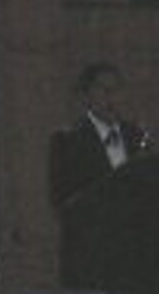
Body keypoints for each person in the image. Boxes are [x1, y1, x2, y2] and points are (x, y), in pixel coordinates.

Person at [47, 62, 149, 212]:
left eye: (116, 89)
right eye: (103, 89)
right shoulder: (66, 141)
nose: (111, 96)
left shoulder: (137, 136)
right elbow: (63, 201)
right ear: (86, 96)